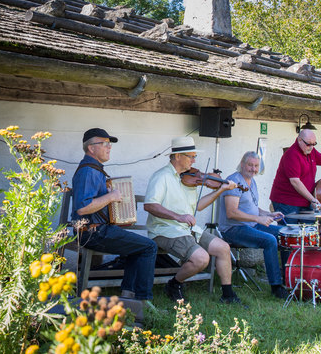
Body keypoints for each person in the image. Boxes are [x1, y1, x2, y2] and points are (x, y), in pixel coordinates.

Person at [143, 136, 241, 304]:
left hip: (188, 230)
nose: (194, 160)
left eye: (195, 156)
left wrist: (221, 190)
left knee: (223, 248)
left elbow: (199, 206)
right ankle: (174, 284)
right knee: (202, 259)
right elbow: (150, 205)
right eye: (191, 156)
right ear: (178, 156)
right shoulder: (161, 177)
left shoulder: (189, 179)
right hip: (165, 231)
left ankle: (228, 295)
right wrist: (178, 217)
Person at [71, 128, 157, 302]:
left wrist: (108, 197)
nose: (109, 147)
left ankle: (128, 296)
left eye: (109, 144)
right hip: (92, 233)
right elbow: (82, 208)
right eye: (104, 144)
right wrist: (111, 196)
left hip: (96, 230)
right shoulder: (89, 171)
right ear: (91, 148)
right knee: (149, 247)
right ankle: (143, 300)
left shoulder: (95, 170)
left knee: (139, 247)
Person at [218, 152, 288, 299]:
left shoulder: (252, 181)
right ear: (242, 164)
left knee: (285, 233)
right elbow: (231, 213)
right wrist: (258, 219)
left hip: (251, 225)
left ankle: (288, 279)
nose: (253, 169)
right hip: (233, 229)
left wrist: (267, 215)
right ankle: (276, 287)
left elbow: (253, 209)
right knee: (270, 240)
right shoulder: (234, 181)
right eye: (250, 165)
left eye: (256, 166)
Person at [269, 129, 321, 218]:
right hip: (287, 202)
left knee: (309, 229)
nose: (311, 147)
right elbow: (295, 181)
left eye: (314, 144)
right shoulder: (292, 154)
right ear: (299, 140)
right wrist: (313, 199)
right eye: (308, 144)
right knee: (291, 230)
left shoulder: (310, 150)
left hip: (305, 200)